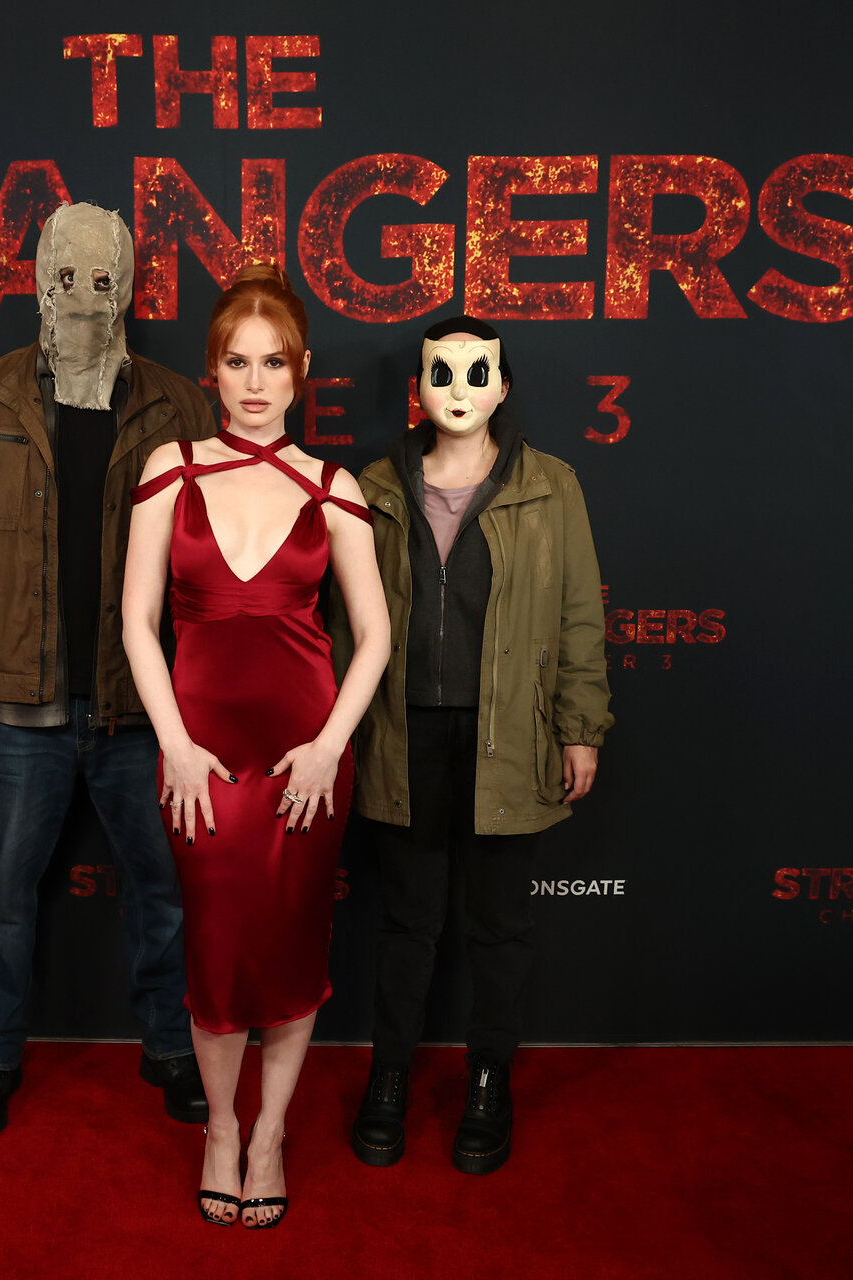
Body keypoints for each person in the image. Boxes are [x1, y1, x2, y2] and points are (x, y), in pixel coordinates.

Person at [0, 202, 217, 1138]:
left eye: (103, 278)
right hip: (17, 700)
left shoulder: (178, 403)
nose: (85, 296)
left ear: (128, 284)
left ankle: (171, 1046)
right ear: (37, 279)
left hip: (141, 705)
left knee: (163, 891)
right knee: (6, 896)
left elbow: (207, 564)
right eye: (65, 275)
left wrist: (197, 699)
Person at [123, 263, 391, 1228]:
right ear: (212, 369)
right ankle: (221, 1131)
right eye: (237, 362)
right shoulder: (171, 469)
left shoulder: (333, 486)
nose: (255, 382)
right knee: (218, 951)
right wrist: (177, 745)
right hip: (198, 760)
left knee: (290, 945)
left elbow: (376, 637)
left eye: (274, 363)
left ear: (301, 370)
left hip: (303, 759)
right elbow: (136, 622)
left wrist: (326, 748)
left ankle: (269, 1133)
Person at [331, 316, 613, 1176]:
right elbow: (344, 619)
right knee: (408, 921)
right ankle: (389, 1077)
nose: (459, 390)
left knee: (499, 926)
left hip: (511, 736)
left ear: (503, 384)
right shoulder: (376, 485)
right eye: (441, 374)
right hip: (403, 733)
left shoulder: (552, 485)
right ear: (417, 387)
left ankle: (490, 1081)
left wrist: (579, 726)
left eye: (476, 373)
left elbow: (579, 613)